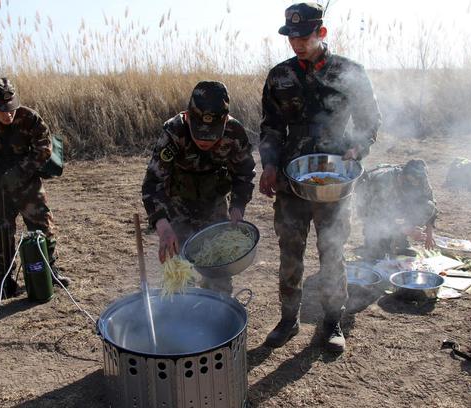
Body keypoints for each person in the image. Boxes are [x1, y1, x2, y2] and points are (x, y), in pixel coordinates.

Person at [259, 3, 381, 351]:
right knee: (290, 253)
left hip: (334, 179)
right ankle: (288, 319)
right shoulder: (279, 76)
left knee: (332, 252)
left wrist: (357, 148)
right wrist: (269, 164)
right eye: (291, 36)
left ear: (321, 33)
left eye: (304, 36)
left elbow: (370, 120)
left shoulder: (349, 72)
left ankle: (331, 323)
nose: (296, 43)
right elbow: (270, 126)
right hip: (290, 180)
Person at [0, 77, 70, 298]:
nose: (9, 114)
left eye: (12, 108)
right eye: (2, 110)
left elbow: (44, 147)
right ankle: (5, 279)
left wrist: (21, 171)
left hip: (26, 181)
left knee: (42, 224)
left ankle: (49, 270)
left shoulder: (30, 117)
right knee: (0, 229)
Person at [142, 80, 256, 295]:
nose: (205, 140)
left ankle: (219, 317)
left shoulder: (234, 132)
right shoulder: (174, 132)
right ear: (188, 116)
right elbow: (153, 182)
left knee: (220, 274)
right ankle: (183, 317)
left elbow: (244, 173)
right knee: (179, 275)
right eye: (199, 132)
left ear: (224, 123)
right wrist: (163, 226)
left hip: (214, 206)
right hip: (177, 205)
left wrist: (238, 206)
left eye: (212, 134)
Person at [356, 160, 438, 260]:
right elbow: (379, 215)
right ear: (401, 177)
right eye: (409, 184)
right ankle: (373, 242)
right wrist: (406, 229)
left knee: (426, 206)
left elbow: (431, 203)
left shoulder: (420, 179)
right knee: (379, 253)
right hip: (370, 207)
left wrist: (429, 234)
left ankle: (401, 240)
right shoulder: (384, 182)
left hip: (395, 203)